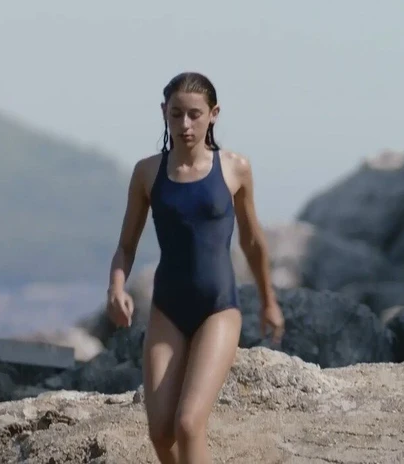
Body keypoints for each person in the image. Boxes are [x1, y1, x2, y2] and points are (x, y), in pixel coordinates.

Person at [105, 71, 285, 464]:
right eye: (176, 114)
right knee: (161, 432)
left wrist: (269, 301)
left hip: (218, 309)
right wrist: (116, 287)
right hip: (167, 310)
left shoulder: (235, 168)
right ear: (164, 113)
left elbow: (252, 242)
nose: (185, 124)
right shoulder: (147, 172)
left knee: (188, 424)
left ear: (213, 114)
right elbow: (125, 247)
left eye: (195, 114)